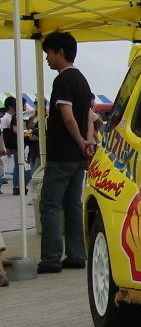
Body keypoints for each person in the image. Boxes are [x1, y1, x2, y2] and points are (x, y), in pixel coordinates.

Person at [37, 31, 95, 274]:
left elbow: (67, 117)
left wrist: (80, 140)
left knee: (50, 205)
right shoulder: (82, 80)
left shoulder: (62, 81)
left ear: (59, 52)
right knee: (73, 204)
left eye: (48, 53)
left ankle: (51, 259)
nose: (47, 59)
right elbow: (90, 118)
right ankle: (77, 254)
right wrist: (87, 142)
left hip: (62, 153)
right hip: (78, 157)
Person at [2, 96, 30, 195]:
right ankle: (17, 185)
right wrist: (6, 148)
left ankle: (19, 185)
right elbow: (5, 134)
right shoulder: (7, 118)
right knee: (18, 165)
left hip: (16, 144)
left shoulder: (14, 116)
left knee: (19, 165)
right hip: (14, 145)